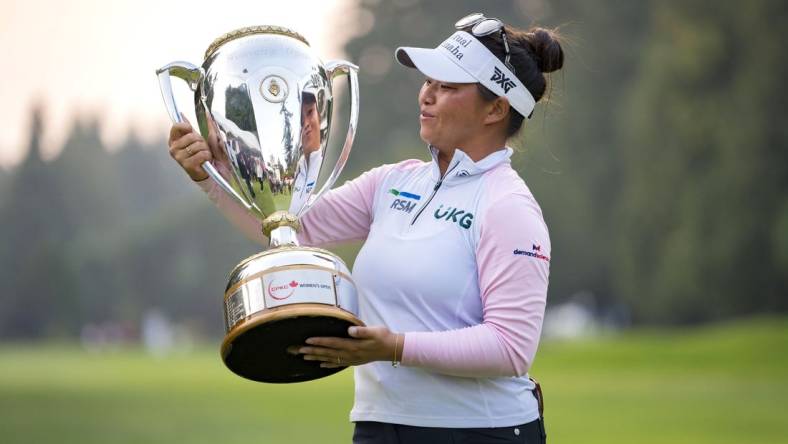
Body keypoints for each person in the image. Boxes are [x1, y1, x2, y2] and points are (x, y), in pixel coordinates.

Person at [168, 12, 563, 444]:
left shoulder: (509, 207)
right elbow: (289, 227)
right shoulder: (393, 182)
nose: (427, 94)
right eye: (428, 81)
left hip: (481, 431)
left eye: (447, 86)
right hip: (380, 425)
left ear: (496, 108)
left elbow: (510, 347)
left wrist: (393, 346)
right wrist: (211, 175)